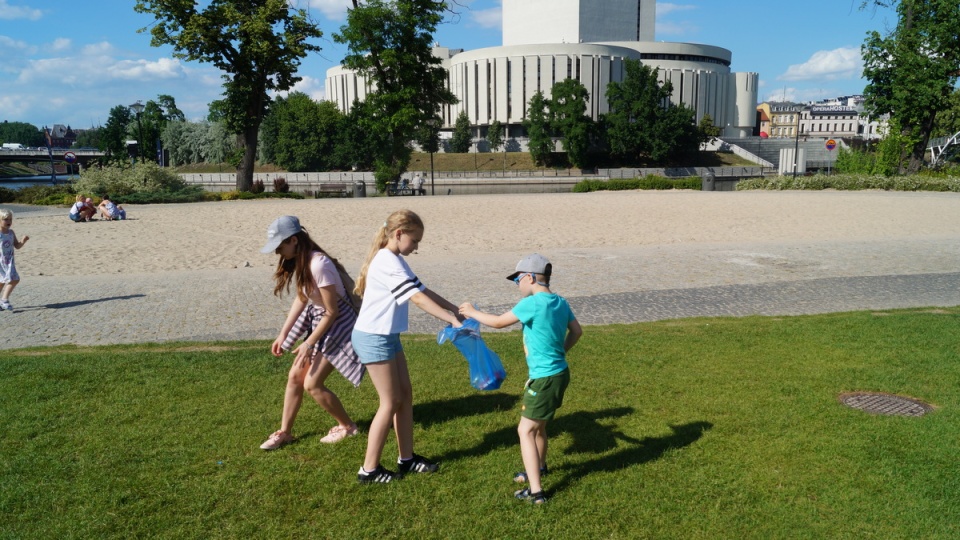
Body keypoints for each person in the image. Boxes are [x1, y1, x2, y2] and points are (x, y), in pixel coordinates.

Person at [459, 253, 582, 504]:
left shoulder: (533, 303)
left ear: (529, 277)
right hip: (559, 374)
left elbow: (497, 323)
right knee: (539, 427)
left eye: (517, 280)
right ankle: (540, 467)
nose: (518, 285)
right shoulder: (560, 302)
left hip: (545, 377)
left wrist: (472, 312)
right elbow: (577, 331)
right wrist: (559, 353)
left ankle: (536, 491)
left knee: (525, 430)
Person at [351, 209, 463, 483]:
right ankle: (369, 470)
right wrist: (450, 319)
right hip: (373, 337)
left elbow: (422, 290)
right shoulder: (388, 261)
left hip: (387, 335)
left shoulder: (395, 259)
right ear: (399, 234)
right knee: (390, 402)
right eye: (415, 241)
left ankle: (407, 459)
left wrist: (455, 309)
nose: (416, 247)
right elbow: (417, 300)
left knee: (405, 395)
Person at [259, 216, 364, 450]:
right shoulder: (302, 261)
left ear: (294, 240)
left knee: (312, 384)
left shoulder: (319, 264)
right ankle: (285, 432)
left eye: (280, 246)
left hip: (339, 327)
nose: (278, 252)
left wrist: (308, 344)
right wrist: (283, 335)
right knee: (295, 377)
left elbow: (332, 311)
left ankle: (348, 426)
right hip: (322, 322)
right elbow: (303, 297)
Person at [0, 208, 29, 312]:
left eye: (10, 219)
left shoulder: (11, 232)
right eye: (5, 219)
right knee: (12, 280)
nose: (8, 222)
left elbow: (17, 246)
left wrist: (23, 241)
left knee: (8, 280)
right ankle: (4, 300)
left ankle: (3, 301)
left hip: (9, 261)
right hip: (0, 262)